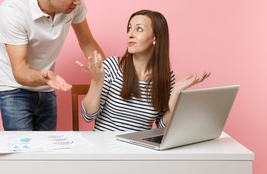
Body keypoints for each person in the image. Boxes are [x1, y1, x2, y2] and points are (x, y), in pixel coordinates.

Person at [0, 0, 105, 131]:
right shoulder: (13, 11)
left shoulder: (73, 5)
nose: (77, 0)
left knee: (47, 153)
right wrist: (46, 78)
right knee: (23, 154)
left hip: (47, 87)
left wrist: (110, 73)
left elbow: (87, 42)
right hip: (14, 89)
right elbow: (20, 71)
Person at [76, 9, 210, 131]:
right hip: (105, 149)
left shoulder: (166, 76)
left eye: (139, 29)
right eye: (129, 29)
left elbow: (162, 127)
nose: (130, 34)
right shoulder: (111, 66)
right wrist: (97, 81)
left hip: (139, 151)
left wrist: (175, 93)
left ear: (155, 38)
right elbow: (88, 116)